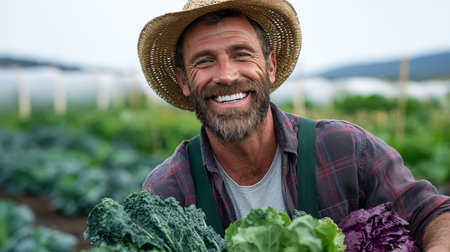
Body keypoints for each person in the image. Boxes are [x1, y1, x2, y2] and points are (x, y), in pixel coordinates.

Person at [138, 0, 450, 250]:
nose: (227, 75)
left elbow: (434, 214)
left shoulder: (347, 149)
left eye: (241, 54)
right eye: (204, 61)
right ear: (184, 81)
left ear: (270, 66)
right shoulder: (168, 190)